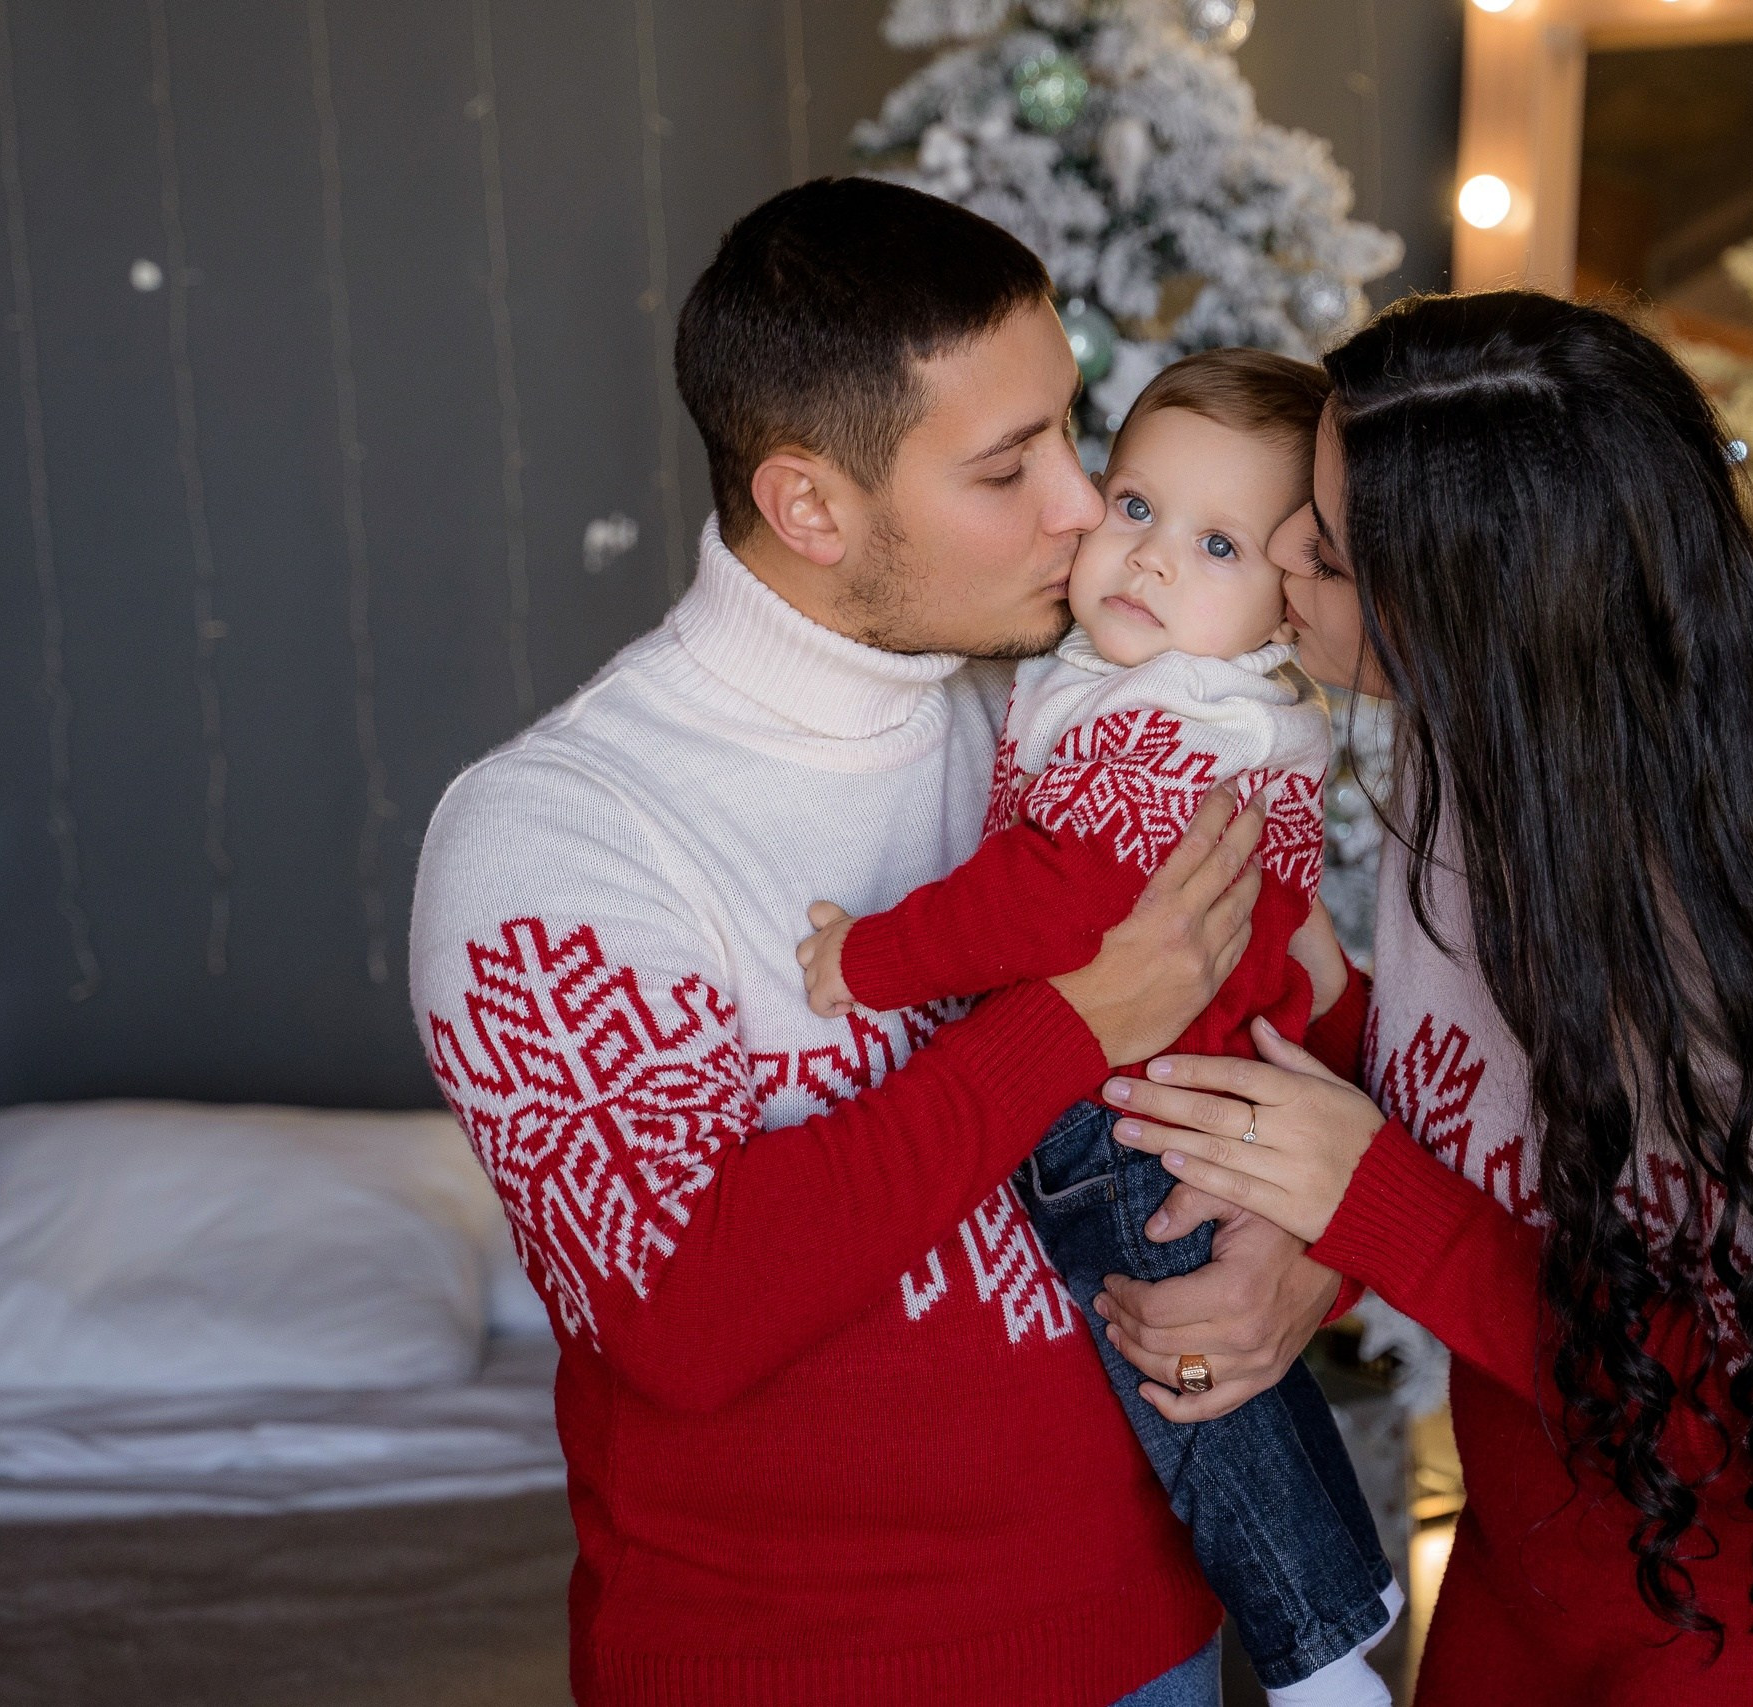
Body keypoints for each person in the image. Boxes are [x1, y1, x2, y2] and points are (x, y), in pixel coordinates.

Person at [408, 178, 1350, 1707]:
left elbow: (1313, 1034)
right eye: (1006, 467)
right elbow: (676, 1317)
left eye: (1069, 431)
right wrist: (1073, 1025)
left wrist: (1306, 1258)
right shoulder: (552, 837)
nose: (1078, 506)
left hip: (1159, 1644)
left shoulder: (1071, 728)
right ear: (811, 507)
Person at [1097, 291, 1753, 1703]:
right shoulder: (1477, 772)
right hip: (1542, 1579)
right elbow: (1498, 1135)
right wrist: (1316, 1158)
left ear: (1481, 616)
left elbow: (1731, 1414)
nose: (1285, 550)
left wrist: (1366, 1205)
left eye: (1331, 547)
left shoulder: (1741, 937)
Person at [799, 349, 1401, 1707]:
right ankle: (1348, 1592)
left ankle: (1314, 1655)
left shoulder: (1178, 730)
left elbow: (1052, 894)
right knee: (1225, 1375)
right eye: (1134, 507)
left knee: (1182, 1381)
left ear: (1281, 607)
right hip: (1175, 1090)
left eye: (1218, 543)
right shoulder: (1149, 691)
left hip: (1136, 1116)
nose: (1148, 559)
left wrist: (869, 958)